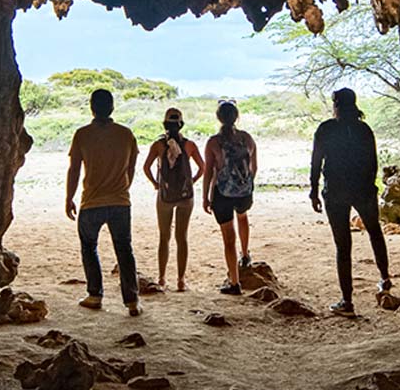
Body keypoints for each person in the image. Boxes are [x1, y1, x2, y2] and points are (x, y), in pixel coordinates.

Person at [309, 87, 391, 317]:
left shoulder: (326, 129)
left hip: (335, 192)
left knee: (343, 246)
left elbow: (316, 162)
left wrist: (314, 190)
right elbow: (372, 163)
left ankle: (347, 301)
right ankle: (385, 278)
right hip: (363, 190)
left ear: (336, 105)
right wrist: (370, 187)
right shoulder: (363, 129)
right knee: (375, 231)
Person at [65, 88, 141, 316]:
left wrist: (69, 197)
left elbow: (75, 169)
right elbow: (131, 167)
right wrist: (123, 188)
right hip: (120, 201)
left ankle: (95, 294)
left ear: (91, 107)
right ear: (112, 107)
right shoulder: (126, 134)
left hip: (91, 201)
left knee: (89, 246)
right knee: (124, 249)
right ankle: (132, 301)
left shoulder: (82, 134)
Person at [142, 108, 205, 291]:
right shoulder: (190, 145)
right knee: (182, 237)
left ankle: (162, 278)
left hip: (165, 196)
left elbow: (146, 167)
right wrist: (191, 182)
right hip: (186, 197)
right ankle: (181, 280)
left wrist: (156, 184)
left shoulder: (158, 145)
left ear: (164, 125)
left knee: (164, 237)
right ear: (181, 124)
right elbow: (202, 168)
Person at [203, 100, 257, 295]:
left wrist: (206, 197)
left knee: (228, 237)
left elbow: (208, 172)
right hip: (244, 192)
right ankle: (245, 255)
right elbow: (253, 168)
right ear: (237, 117)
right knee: (242, 217)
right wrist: (245, 185)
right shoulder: (247, 139)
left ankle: (234, 282)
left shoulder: (213, 142)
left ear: (219, 118)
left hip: (222, 193)